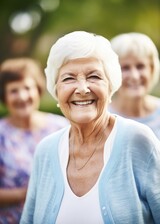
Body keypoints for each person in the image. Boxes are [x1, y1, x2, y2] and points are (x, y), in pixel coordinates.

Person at [20, 31, 160, 224]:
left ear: (110, 87)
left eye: (94, 76)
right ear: (56, 91)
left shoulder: (138, 140)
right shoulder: (45, 150)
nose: (82, 88)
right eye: (68, 79)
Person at [0, 57, 69, 224]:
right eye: (14, 91)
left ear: (38, 90)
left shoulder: (62, 127)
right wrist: (26, 193)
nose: (22, 96)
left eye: (27, 88)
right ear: (4, 96)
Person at [109, 32, 160, 139]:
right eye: (125, 68)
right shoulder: (100, 118)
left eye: (140, 66)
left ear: (152, 69)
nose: (135, 76)